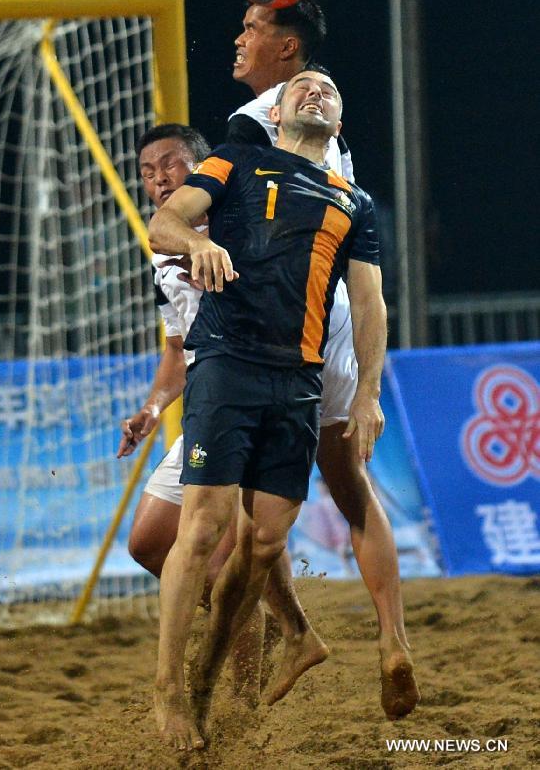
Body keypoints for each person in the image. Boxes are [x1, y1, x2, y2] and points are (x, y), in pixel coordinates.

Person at [148, 69, 388, 751]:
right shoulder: (238, 160)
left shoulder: (354, 201)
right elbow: (164, 222)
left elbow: (369, 303)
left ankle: (205, 682)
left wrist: (367, 392)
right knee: (201, 532)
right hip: (227, 362)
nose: (316, 91)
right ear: (276, 115)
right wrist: (198, 241)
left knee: (261, 547)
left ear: (337, 127)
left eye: (329, 90)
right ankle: (168, 692)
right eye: (302, 88)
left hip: (299, 384)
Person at [227, 0, 419, 722]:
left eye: (252, 27)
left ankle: (291, 635)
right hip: (333, 316)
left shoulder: (262, 121)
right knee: (352, 487)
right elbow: (368, 292)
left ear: (287, 50)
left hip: (283, 329)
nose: (239, 38)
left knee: (250, 509)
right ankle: (393, 640)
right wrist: (369, 388)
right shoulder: (326, 124)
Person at [119, 122, 328, 705]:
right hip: (210, 398)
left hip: (258, 393)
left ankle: (242, 705)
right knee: (148, 544)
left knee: (236, 543)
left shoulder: (245, 221)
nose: (159, 178)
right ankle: (280, 628)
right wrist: (152, 406)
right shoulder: (162, 247)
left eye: (171, 164)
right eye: (147, 171)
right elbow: (175, 351)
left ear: (204, 171)